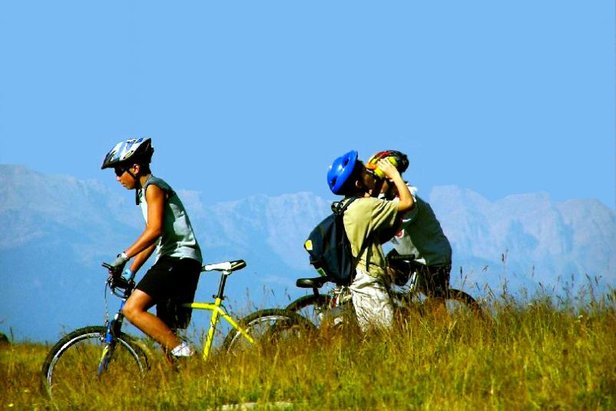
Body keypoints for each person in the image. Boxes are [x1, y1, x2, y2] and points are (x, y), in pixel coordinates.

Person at [101, 137, 202, 359]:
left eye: (119, 171)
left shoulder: (153, 188)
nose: (117, 178)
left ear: (135, 168)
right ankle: (184, 373)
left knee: (131, 309)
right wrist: (130, 271)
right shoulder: (144, 192)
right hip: (174, 258)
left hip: (178, 259)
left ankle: (190, 355)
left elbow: (154, 231)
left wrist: (123, 256)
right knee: (166, 332)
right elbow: (153, 238)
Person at [326, 150, 414, 332]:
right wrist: (394, 175)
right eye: (366, 172)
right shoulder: (365, 207)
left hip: (358, 277)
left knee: (374, 335)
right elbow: (407, 203)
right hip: (368, 280)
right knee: (386, 338)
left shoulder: (349, 205)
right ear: (359, 183)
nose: (371, 173)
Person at [365, 150, 452, 301]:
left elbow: (387, 229)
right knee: (378, 280)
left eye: (376, 178)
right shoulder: (383, 196)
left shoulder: (409, 198)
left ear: (390, 178)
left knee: (436, 304)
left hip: (432, 257)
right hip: (406, 254)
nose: (372, 182)